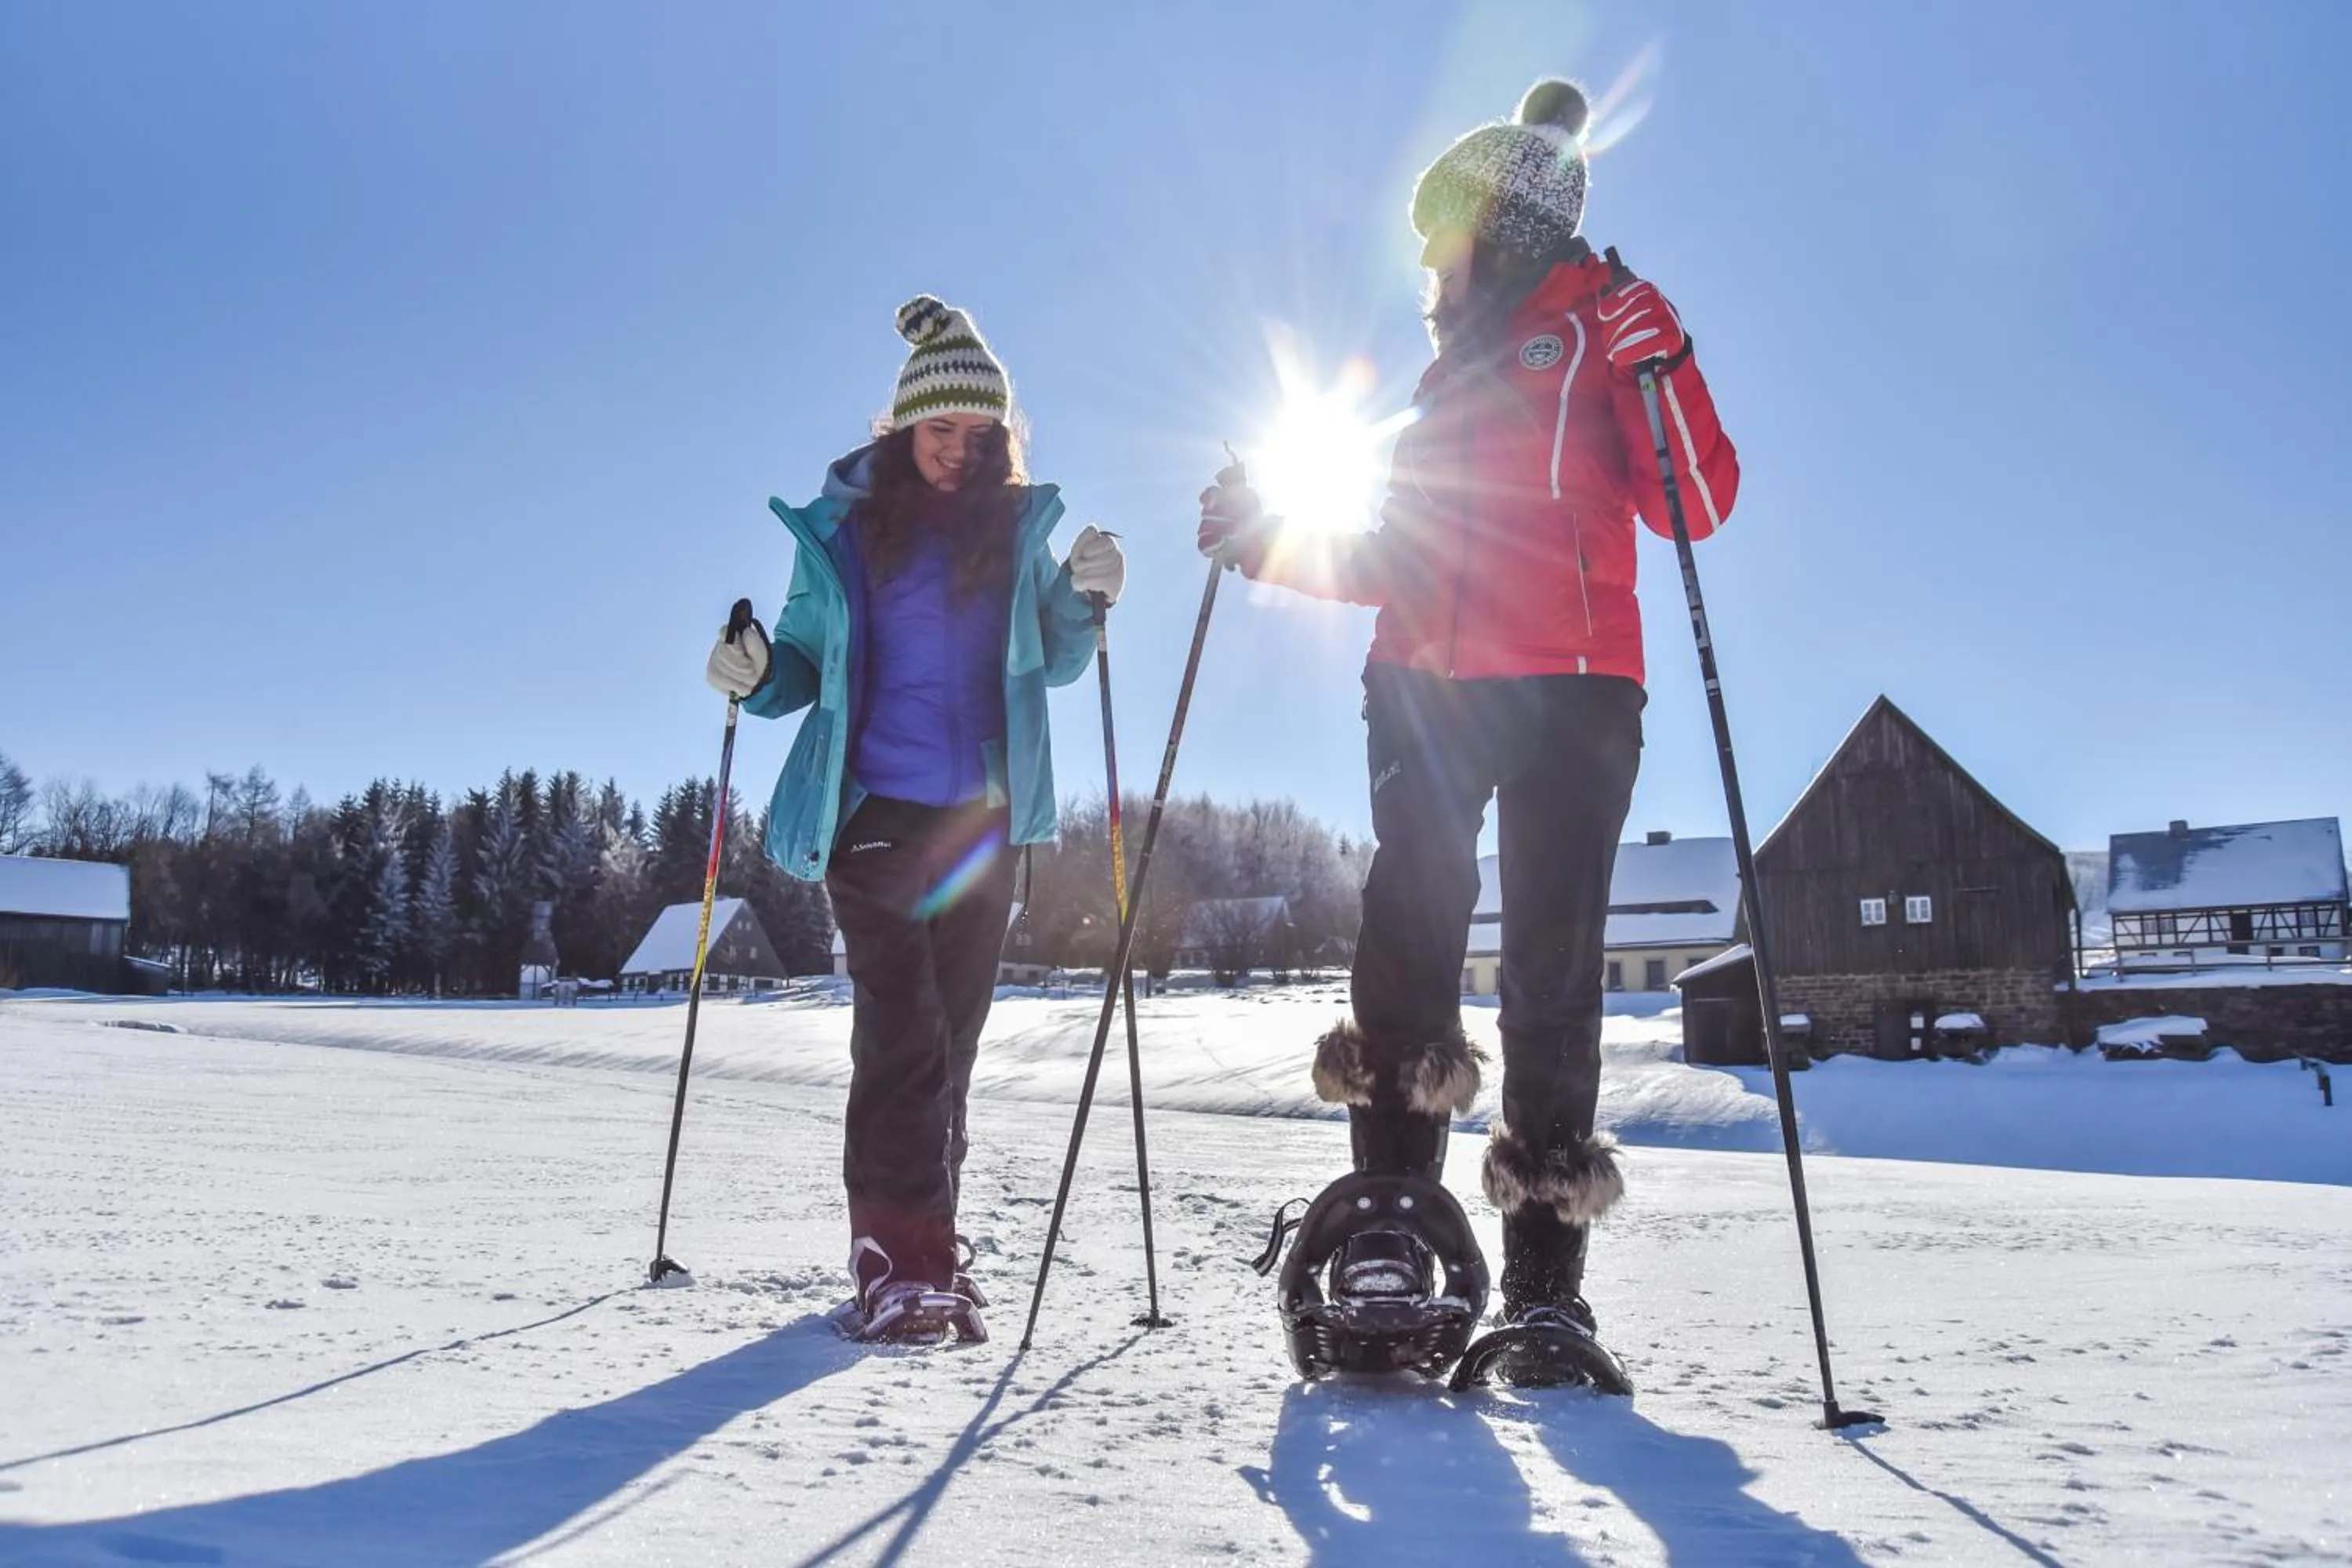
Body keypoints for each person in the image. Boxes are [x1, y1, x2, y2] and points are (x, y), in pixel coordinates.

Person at [1198, 81, 1739, 1348]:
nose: (1428, 263)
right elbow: (1406, 553)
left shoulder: (1604, 324)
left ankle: (1546, 1283)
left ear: (1498, 224)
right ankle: (1391, 1227)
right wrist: (1267, 536)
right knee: (1408, 940)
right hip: (1428, 691)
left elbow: (1694, 506)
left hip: (1574, 690)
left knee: (1550, 972)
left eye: (1442, 232)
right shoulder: (1446, 378)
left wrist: (1668, 363)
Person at [706, 296, 1125, 1341]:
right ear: (898, 432)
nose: (959, 450)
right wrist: (754, 677)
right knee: (903, 1036)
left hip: (983, 821)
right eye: (940, 430)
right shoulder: (845, 539)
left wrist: (1084, 598)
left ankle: (930, 1245)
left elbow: (1061, 661)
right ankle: (895, 1257)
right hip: (876, 814)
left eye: (980, 436)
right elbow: (800, 661)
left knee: (955, 1043)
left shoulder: (1016, 534)